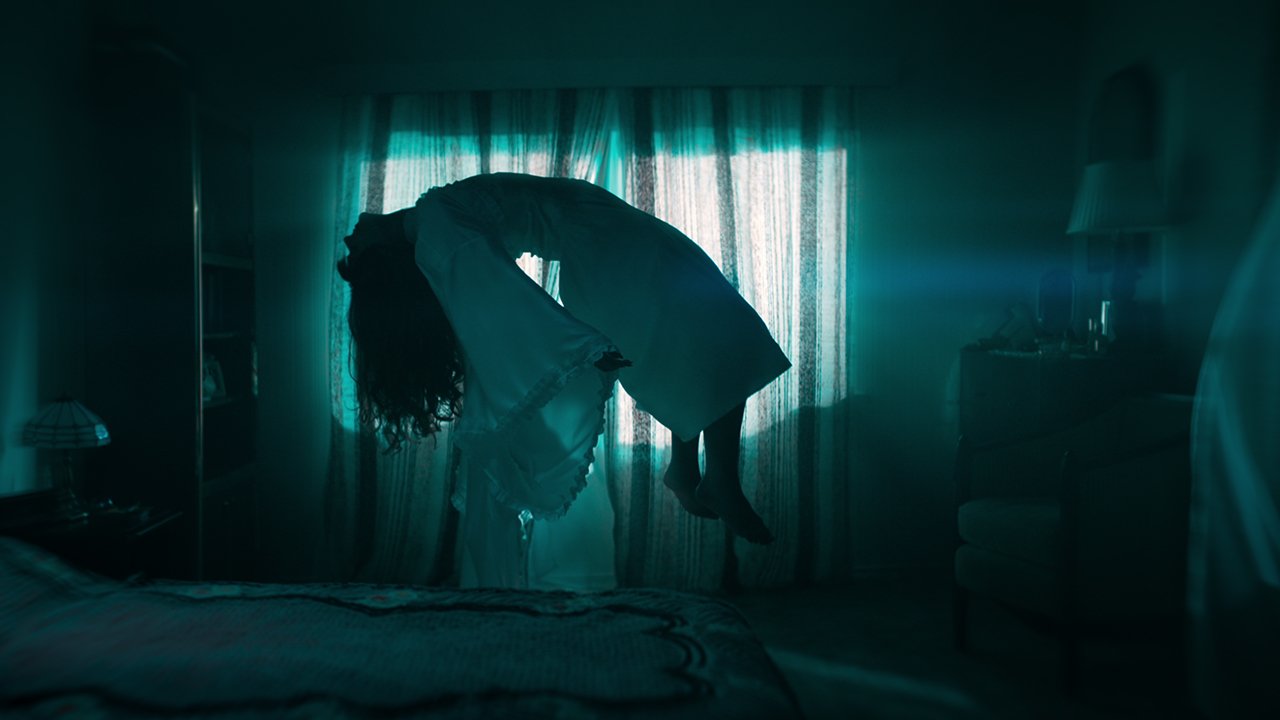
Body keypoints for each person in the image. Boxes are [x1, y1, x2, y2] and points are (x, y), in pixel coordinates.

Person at [337, 173, 790, 584]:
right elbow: (497, 285)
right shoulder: (434, 225)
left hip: (608, 235)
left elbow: (489, 285)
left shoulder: (430, 218)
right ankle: (714, 477)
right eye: (356, 250)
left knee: (704, 329)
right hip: (604, 249)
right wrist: (574, 344)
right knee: (715, 325)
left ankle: (692, 468)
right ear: (385, 253)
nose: (348, 234)